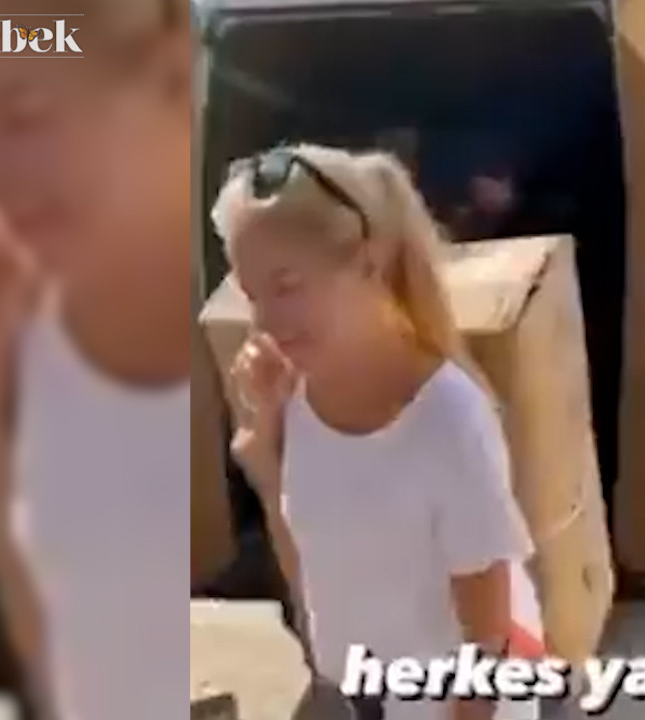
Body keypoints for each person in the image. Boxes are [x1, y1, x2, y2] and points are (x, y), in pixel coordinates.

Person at [0, 1, 193, 718]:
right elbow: (72, 672)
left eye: (24, 117)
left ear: (174, 72)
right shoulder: (17, 328)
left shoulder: (275, 329)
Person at [215, 143, 536, 720]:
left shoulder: (448, 420)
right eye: (252, 294)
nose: (264, 321)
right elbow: (310, 571)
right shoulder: (295, 394)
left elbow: (490, 641)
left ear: (367, 263)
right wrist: (265, 449)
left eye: (286, 286)